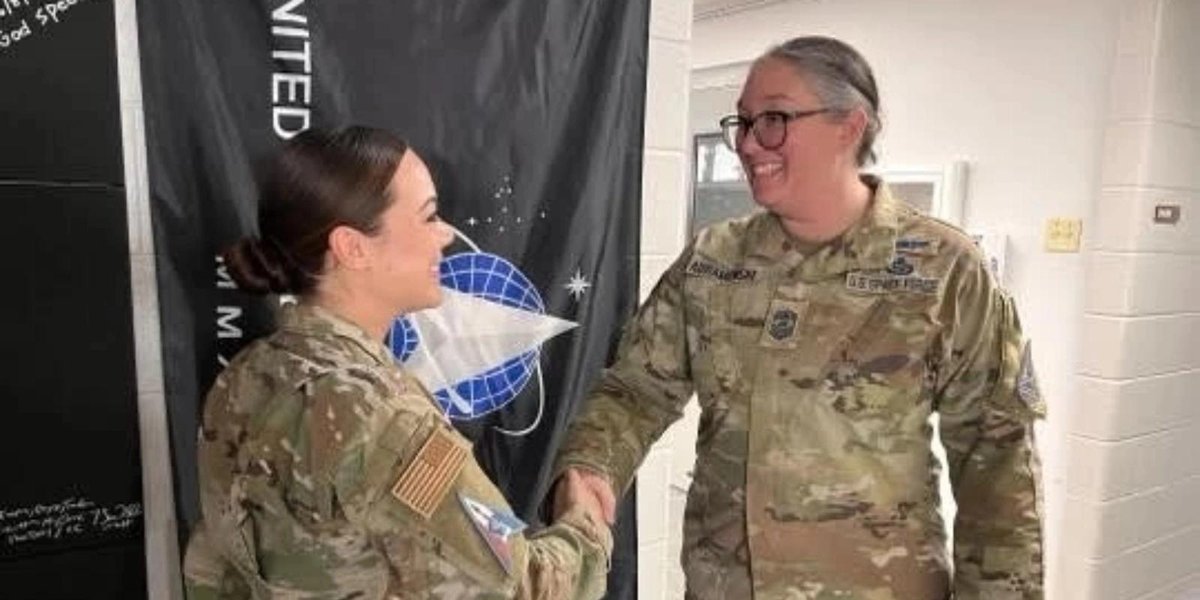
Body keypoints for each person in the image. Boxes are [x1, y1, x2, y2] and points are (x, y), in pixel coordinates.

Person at [552, 36, 1045, 599]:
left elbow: (998, 465)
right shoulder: (714, 261)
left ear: (850, 126)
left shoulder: (944, 271)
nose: (747, 143)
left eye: (774, 119)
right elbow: (634, 392)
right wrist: (591, 464)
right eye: (741, 122)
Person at [183, 126, 612, 599]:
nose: (445, 235)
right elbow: (526, 587)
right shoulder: (385, 420)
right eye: (427, 216)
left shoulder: (243, 377)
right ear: (354, 248)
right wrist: (584, 525)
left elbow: (214, 568)